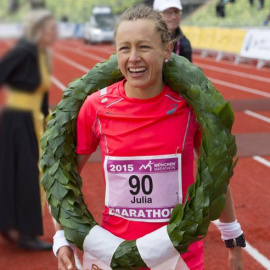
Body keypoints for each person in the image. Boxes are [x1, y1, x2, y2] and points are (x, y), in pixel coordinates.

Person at [53, 4, 245, 270]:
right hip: (112, 251)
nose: (133, 57)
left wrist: (232, 238)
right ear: (115, 53)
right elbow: (64, 177)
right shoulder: (96, 107)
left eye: (144, 47)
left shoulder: (190, 108)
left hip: (178, 256)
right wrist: (61, 235)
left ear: (167, 50)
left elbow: (217, 175)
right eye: (124, 48)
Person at [0, 9, 57, 250]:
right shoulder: (23, 53)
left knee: (22, 174)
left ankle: (11, 225)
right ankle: (26, 233)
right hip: (17, 121)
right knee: (24, 176)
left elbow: (41, 95)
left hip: (30, 120)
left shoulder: (40, 54)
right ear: (38, 30)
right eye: (51, 28)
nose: (55, 32)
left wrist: (47, 121)